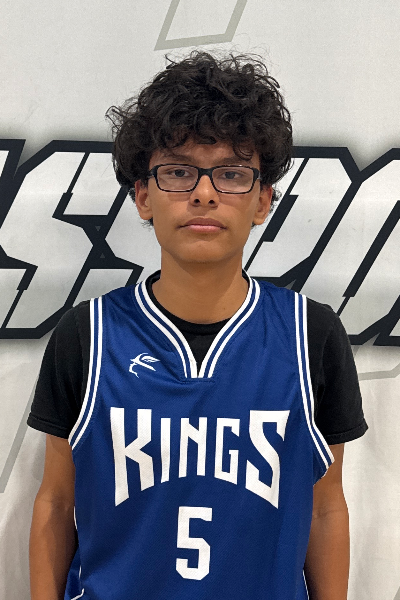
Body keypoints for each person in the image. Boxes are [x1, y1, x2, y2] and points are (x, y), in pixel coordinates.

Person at [28, 50, 368, 600]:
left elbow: (325, 508)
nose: (204, 193)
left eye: (231, 174)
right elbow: (55, 501)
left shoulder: (312, 335)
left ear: (263, 201)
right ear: (143, 196)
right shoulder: (87, 335)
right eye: (179, 172)